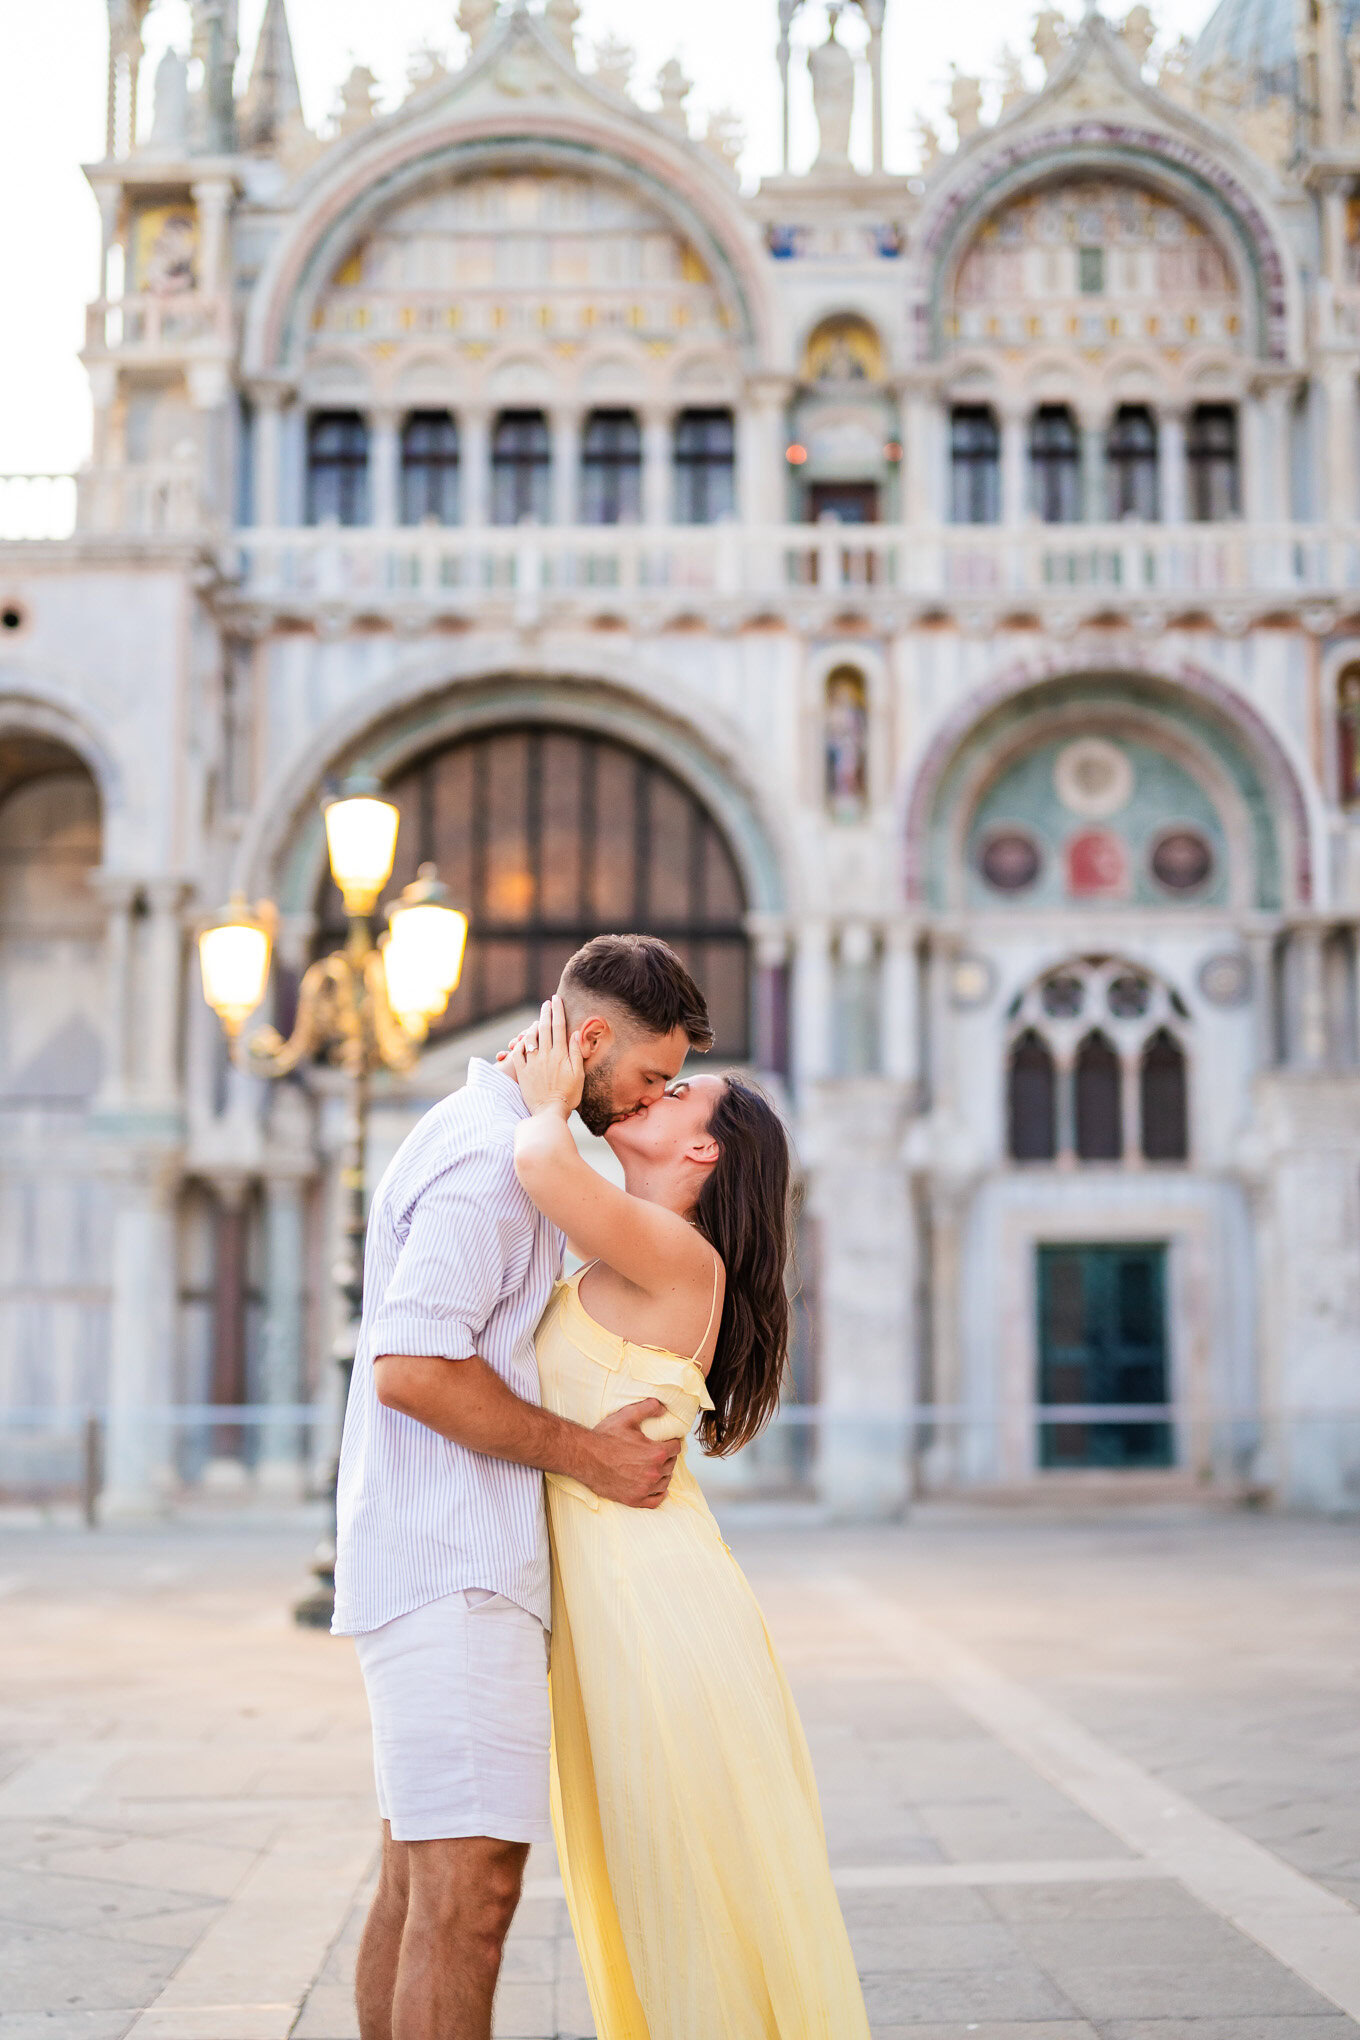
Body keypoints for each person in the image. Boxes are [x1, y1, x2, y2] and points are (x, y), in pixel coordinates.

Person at [332, 935, 715, 2040]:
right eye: (647, 1076)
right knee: (473, 1895)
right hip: (453, 1568)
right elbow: (411, 1366)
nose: (649, 1098)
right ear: (588, 1041)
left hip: (440, 1562)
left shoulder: (504, 1143)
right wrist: (588, 1452)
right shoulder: (488, 1160)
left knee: (422, 1886)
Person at [510, 995, 872, 2040]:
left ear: (702, 1148)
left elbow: (540, 1165)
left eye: (674, 1092)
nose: (648, 1093)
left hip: (651, 1606)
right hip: (623, 1595)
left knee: (687, 1884)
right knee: (647, 1886)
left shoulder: (680, 1258)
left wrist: (547, 1094)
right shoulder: (629, 1254)